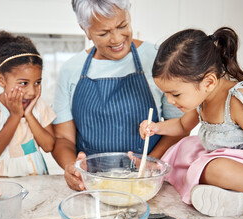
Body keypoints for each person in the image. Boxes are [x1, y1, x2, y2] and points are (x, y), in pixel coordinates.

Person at [139, 27, 243, 219]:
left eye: (175, 94)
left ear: (209, 82)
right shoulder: (202, 96)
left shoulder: (238, 101)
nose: (169, 100)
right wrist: (156, 127)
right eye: (165, 94)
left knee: (214, 169)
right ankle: (238, 198)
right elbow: (183, 127)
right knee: (185, 148)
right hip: (236, 162)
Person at [52, 0, 184, 191]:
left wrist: (150, 163)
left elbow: (179, 126)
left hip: (145, 182)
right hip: (91, 186)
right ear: (85, 29)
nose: (116, 39)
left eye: (122, 26)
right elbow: (64, 138)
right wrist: (72, 167)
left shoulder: (157, 59)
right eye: (103, 33)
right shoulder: (70, 70)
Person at [0, 31, 56, 177]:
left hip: (33, 177)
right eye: (23, 83)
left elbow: (48, 146)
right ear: (1, 80)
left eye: (37, 82)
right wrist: (15, 115)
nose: (32, 92)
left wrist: (29, 115)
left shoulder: (39, 106)